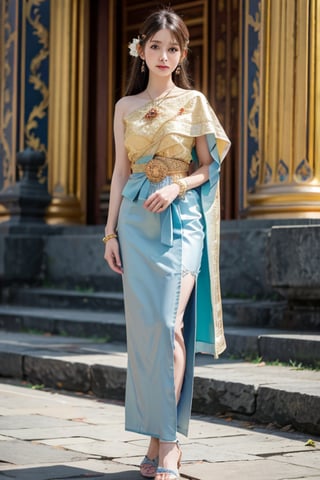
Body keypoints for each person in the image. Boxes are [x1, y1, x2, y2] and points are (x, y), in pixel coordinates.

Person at [103, 7, 230, 480]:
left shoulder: (194, 101)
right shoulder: (124, 107)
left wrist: (179, 186)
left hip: (181, 221)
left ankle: (168, 444)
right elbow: (119, 173)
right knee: (148, 336)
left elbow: (208, 166)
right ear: (141, 49)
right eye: (155, 46)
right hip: (135, 224)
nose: (163, 55)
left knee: (168, 324)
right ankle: (159, 439)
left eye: (172, 48)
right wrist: (110, 232)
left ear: (181, 54)